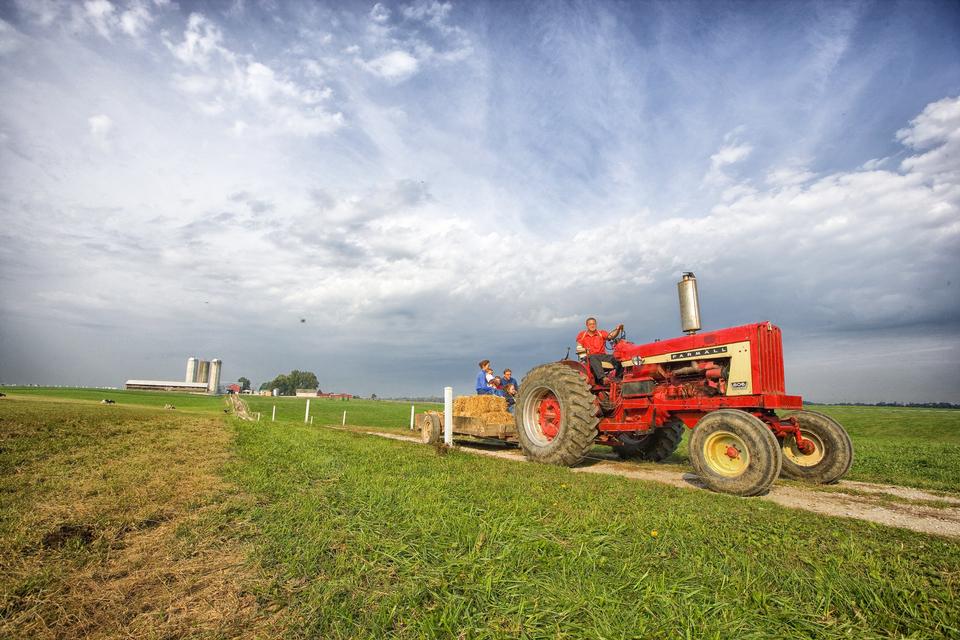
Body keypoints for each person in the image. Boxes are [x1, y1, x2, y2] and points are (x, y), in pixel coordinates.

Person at [576, 317, 624, 384]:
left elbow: (611, 336)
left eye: (594, 324)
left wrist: (617, 329)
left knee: (618, 357)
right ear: (587, 325)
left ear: (596, 324)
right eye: (590, 324)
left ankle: (618, 378)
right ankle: (603, 378)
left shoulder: (601, 333)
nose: (592, 325)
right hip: (589, 357)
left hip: (602, 356)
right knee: (592, 357)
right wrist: (583, 353)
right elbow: (579, 347)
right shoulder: (582, 335)